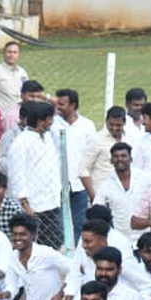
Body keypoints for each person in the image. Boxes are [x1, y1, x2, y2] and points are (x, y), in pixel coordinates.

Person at [7, 101, 64, 248]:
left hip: (52, 202)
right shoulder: (21, 142)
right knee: (33, 246)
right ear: (40, 121)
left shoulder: (48, 138)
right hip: (34, 206)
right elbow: (17, 174)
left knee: (55, 243)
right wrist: (26, 205)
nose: (52, 122)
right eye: (49, 119)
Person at [54, 88, 97, 240]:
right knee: (59, 225)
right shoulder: (53, 125)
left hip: (79, 184)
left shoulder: (87, 125)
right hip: (58, 184)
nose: (58, 107)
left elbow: (92, 155)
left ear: (73, 105)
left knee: (79, 223)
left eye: (62, 104)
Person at [79, 106, 130, 201]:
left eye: (118, 125)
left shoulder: (130, 139)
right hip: (102, 196)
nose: (114, 128)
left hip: (125, 196)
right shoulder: (96, 140)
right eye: (111, 124)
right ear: (106, 122)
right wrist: (93, 196)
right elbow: (83, 169)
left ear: (124, 123)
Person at [0, 40, 28, 117]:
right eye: (9, 52)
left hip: (20, 117)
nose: (11, 55)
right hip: (2, 117)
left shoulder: (22, 73)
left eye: (15, 52)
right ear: (4, 53)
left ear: (19, 55)